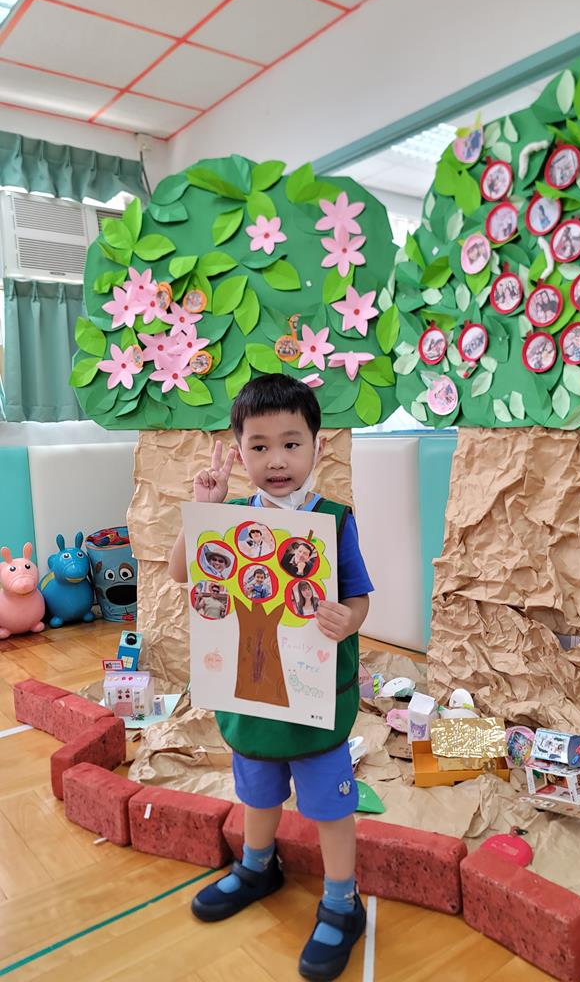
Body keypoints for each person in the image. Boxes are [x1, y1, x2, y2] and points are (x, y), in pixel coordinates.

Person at [168, 375, 373, 981]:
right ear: (239, 452)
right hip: (251, 696)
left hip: (315, 700)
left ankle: (342, 901)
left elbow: (360, 597)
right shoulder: (229, 518)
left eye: (290, 443)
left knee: (328, 805)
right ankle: (258, 866)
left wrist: (347, 619)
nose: (276, 460)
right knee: (257, 790)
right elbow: (182, 572)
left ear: (317, 447)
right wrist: (204, 509)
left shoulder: (334, 520)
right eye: (258, 446)